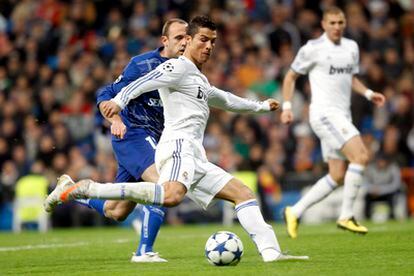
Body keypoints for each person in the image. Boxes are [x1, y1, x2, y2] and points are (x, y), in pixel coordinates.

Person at [45, 15, 308, 262]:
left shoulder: (198, 79)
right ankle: (93, 190)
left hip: (194, 154)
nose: (209, 46)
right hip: (177, 145)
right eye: (202, 40)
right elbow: (144, 82)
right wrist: (118, 102)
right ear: (189, 41)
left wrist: (261, 107)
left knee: (243, 194)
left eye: (213, 41)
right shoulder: (176, 67)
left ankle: (272, 254)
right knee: (170, 195)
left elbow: (226, 100)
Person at [45, 18, 188, 263]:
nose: (184, 42)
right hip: (133, 135)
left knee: (116, 211)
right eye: (178, 38)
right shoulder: (143, 64)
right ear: (164, 41)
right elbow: (106, 93)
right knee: (163, 185)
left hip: (155, 140)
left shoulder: (187, 69)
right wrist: (116, 120)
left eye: (187, 37)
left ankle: (72, 190)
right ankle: (144, 252)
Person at [280, 6, 386, 238]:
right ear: (324, 24)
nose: (337, 27)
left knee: (337, 174)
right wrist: (287, 107)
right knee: (361, 156)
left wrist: (368, 93)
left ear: (344, 24)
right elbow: (290, 77)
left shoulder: (351, 48)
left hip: (342, 114)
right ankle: (346, 215)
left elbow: (350, 78)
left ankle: (294, 211)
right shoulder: (312, 49)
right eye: (332, 23)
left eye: (340, 23)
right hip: (324, 114)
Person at [364, 153, 401, 220]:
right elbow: (365, 183)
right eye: (379, 161)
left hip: (387, 192)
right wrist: (372, 189)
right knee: (366, 196)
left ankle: (392, 216)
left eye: (383, 161)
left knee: (392, 197)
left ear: (387, 161)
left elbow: (396, 185)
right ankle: (367, 217)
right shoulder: (370, 168)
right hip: (373, 193)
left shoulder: (393, 168)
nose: (381, 163)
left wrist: (381, 190)